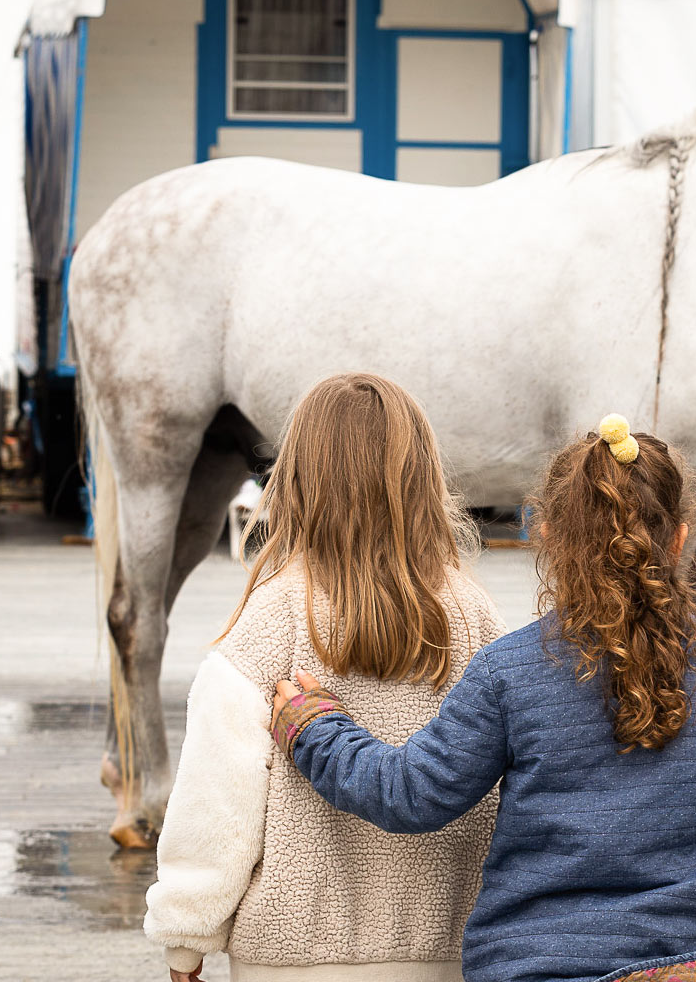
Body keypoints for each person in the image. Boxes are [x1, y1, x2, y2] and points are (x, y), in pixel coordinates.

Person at [268, 415, 696, 982]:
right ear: (679, 538)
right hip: (692, 962)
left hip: (541, 963)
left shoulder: (509, 671)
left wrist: (315, 728)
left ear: (545, 535)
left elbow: (412, 794)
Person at [143, 373, 506, 982]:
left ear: (296, 478)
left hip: (293, 953)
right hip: (451, 946)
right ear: (424, 478)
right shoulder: (475, 618)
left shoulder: (270, 620)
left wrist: (186, 934)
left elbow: (217, 800)